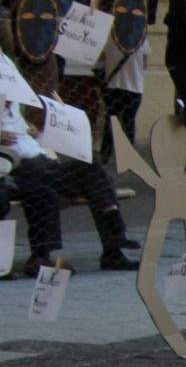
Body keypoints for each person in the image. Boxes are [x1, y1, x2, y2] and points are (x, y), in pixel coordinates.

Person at [0, 99, 137, 275]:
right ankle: (40, 258)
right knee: (48, 192)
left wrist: (35, 133)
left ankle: (114, 246)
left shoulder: (14, 106)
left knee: (91, 169)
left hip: (45, 163)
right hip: (19, 167)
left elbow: (29, 139)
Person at [97, 21, 148, 165]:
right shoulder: (142, 39)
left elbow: (102, 59)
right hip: (134, 88)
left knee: (111, 121)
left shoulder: (113, 37)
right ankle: (128, 158)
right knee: (129, 123)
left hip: (114, 85)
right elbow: (144, 64)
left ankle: (105, 154)